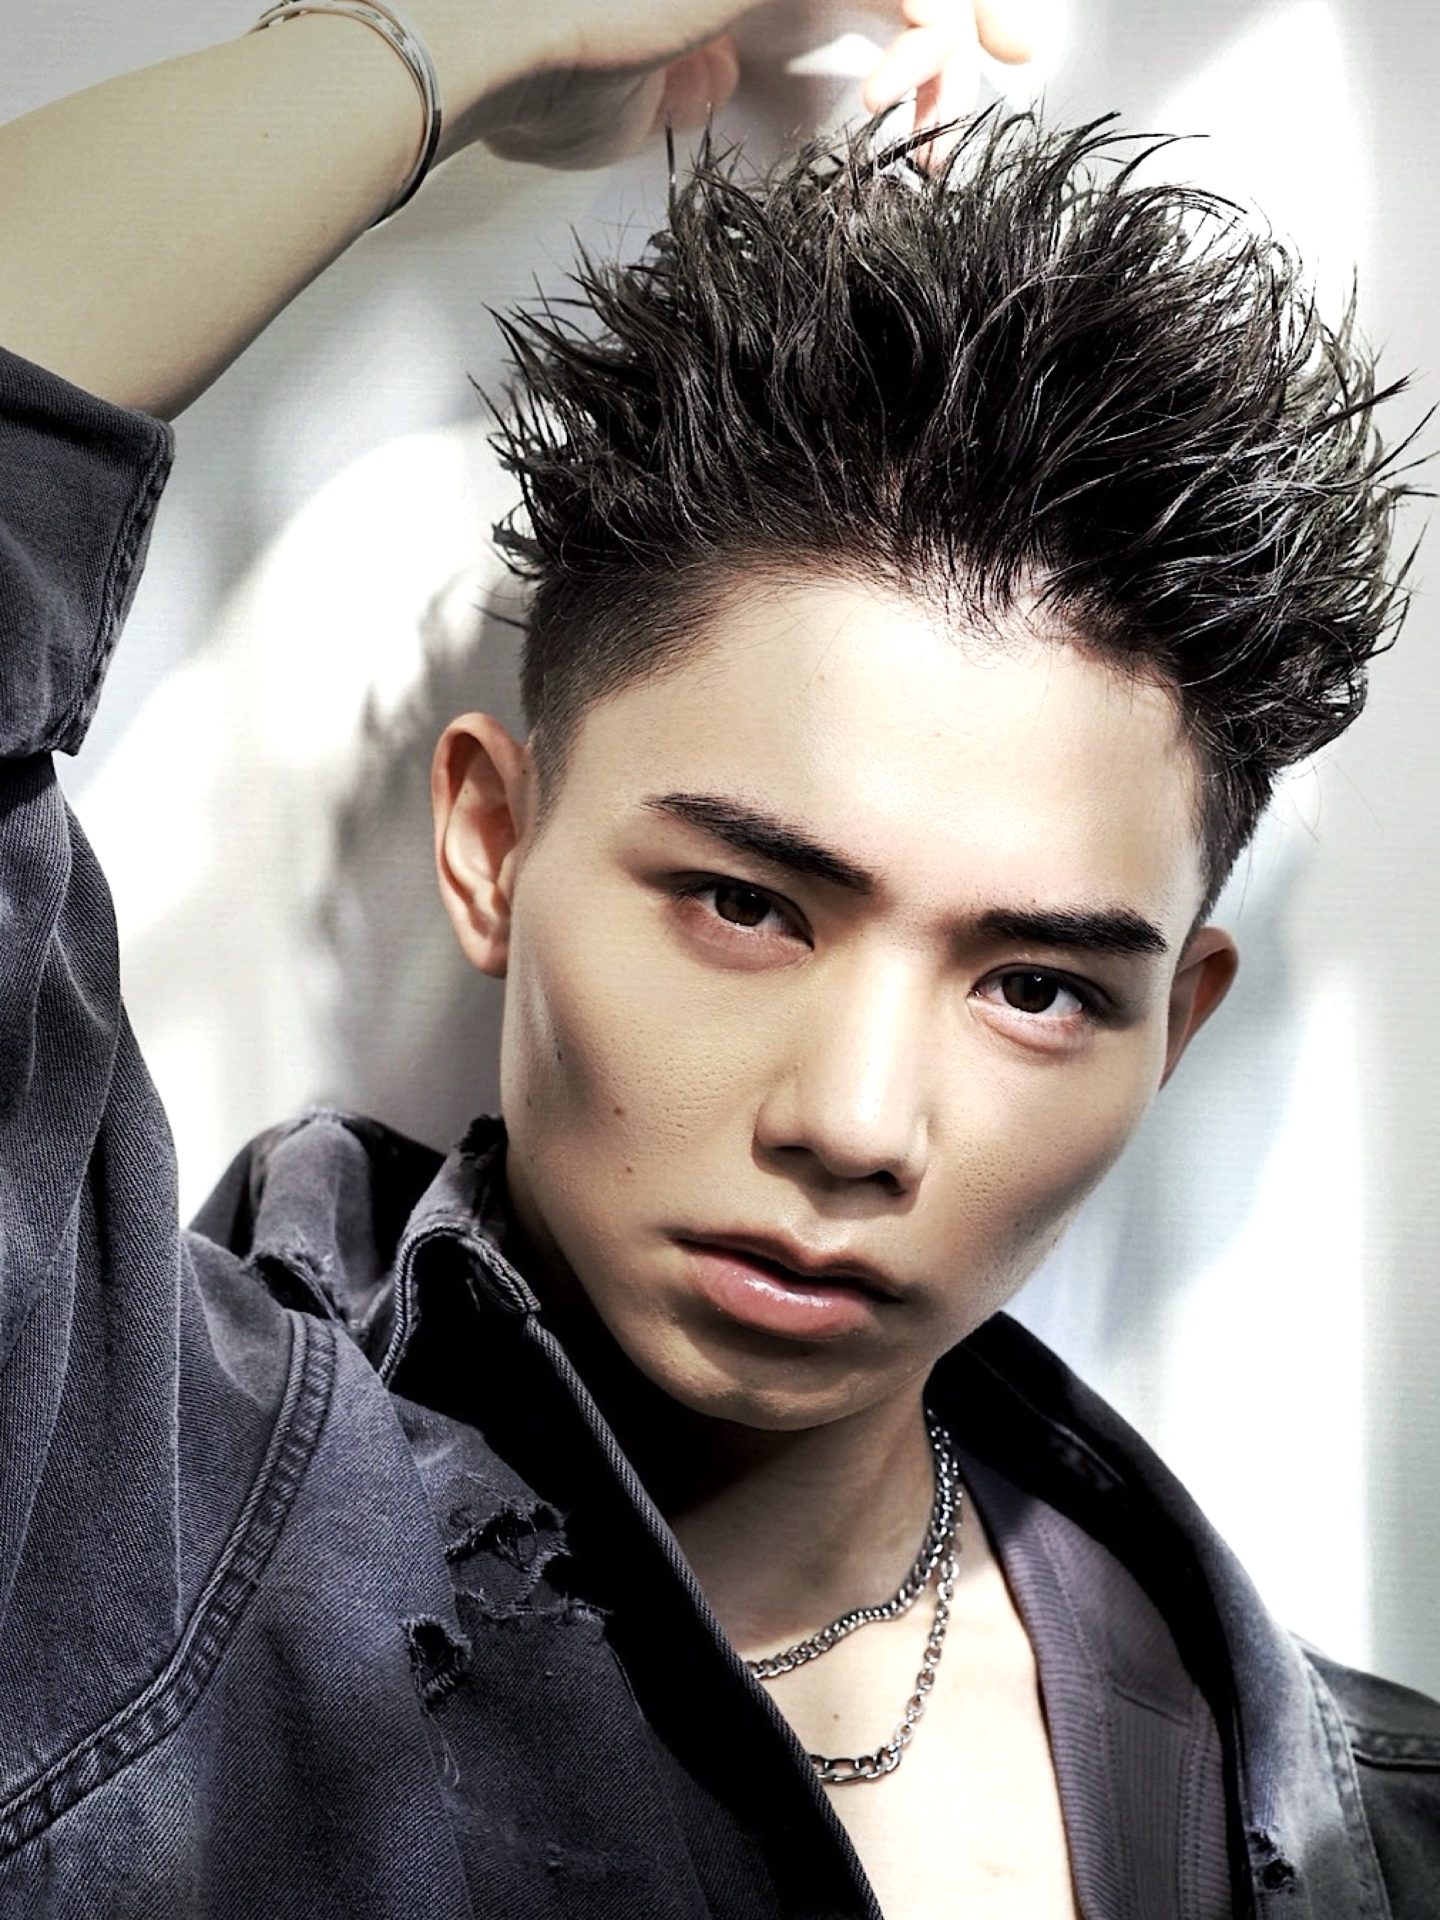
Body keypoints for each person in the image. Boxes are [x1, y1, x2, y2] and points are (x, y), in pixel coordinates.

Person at [0, 3, 1436, 1917]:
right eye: (749, 905)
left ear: (1174, 1029)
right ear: (490, 844)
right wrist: (472, 36)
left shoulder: (1369, 1825)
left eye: (1038, 988)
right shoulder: (121, 1501)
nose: (858, 1124)